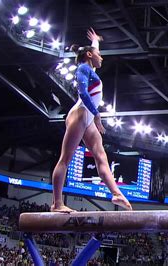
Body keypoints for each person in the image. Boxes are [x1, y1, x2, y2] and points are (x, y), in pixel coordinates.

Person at [51, 28, 132, 212]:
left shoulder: (89, 67)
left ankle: (117, 193)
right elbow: (82, 92)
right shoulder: (82, 68)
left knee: (101, 156)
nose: (101, 57)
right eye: (99, 54)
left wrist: (95, 41)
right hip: (80, 113)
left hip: (87, 116)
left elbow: (92, 51)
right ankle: (57, 203)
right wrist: (96, 114)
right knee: (65, 159)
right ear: (89, 55)